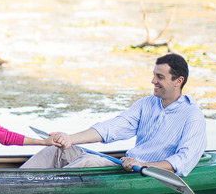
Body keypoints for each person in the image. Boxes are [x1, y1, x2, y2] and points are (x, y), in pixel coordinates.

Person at [21, 53, 206, 176]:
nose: (153, 81)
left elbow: (184, 160)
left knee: (90, 161)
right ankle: (14, 181)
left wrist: (144, 165)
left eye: (160, 77)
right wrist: (70, 139)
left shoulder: (192, 116)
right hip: (126, 164)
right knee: (57, 150)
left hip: (141, 171)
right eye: (154, 75)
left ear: (178, 81)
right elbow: (112, 128)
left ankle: (35, 189)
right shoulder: (146, 104)